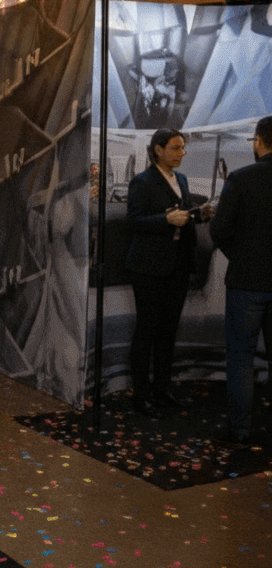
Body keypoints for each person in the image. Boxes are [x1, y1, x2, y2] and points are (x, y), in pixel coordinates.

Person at [124, 128, 213, 417]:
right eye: (175, 148)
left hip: (177, 266)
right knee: (147, 330)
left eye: (182, 148)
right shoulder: (143, 181)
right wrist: (165, 219)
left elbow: (182, 215)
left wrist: (200, 214)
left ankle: (162, 390)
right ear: (158, 150)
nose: (181, 154)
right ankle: (141, 394)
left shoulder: (182, 179)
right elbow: (135, 221)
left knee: (168, 331)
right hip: (148, 267)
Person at [209, 116, 272, 450]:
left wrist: (242, 255)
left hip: (247, 282)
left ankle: (240, 431)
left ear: (259, 141)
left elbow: (218, 229)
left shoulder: (241, 178)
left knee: (241, 358)